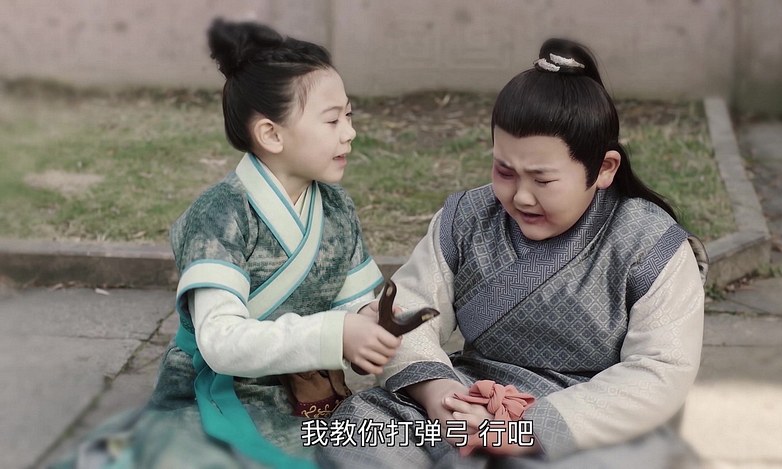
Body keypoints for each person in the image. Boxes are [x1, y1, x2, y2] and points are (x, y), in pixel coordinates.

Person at [317, 38, 708, 468]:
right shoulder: (466, 219)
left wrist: (525, 431)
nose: (520, 196)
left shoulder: (650, 245)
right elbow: (405, 313)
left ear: (604, 168)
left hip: (579, 420)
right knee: (359, 430)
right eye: (505, 171)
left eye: (542, 180)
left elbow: (659, 370)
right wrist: (441, 396)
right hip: (468, 396)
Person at [52, 19, 400, 468]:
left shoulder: (336, 207)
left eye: (349, 116)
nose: (349, 132)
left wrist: (369, 322)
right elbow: (220, 341)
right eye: (332, 120)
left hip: (309, 393)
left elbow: (355, 303)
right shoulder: (221, 213)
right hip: (219, 389)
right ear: (271, 134)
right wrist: (336, 334)